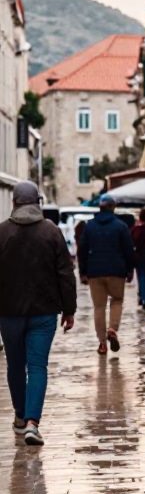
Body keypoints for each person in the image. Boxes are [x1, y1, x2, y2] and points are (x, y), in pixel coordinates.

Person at [0, 181, 76, 446]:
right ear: (38, 203)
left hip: (8, 312)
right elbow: (66, 274)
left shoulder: (2, 232)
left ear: (14, 203)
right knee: (37, 365)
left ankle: (20, 417)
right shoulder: (51, 232)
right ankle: (33, 423)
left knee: (14, 366)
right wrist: (69, 310)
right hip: (44, 312)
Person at [78, 194, 135, 355]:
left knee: (99, 307)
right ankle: (112, 328)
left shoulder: (89, 226)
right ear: (113, 207)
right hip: (117, 270)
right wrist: (130, 269)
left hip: (95, 272)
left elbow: (81, 250)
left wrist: (83, 271)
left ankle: (102, 343)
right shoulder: (121, 226)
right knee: (117, 301)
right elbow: (129, 250)